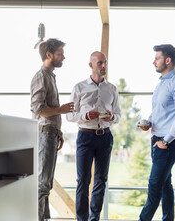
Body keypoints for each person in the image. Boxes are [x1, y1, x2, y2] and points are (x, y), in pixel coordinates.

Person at [66, 51, 121, 221]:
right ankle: (82, 219)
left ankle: (94, 218)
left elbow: (118, 115)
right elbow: (69, 115)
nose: (104, 66)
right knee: (83, 180)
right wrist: (84, 116)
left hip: (105, 137)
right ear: (91, 65)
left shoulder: (112, 89)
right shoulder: (79, 87)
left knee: (101, 180)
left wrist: (112, 117)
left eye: (105, 63)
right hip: (85, 137)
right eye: (100, 63)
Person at [30, 38, 75, 221]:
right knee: (42, 183)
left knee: (46, 183)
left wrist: (59, 132)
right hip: (45, 133)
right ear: (49, 55)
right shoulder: (41, 76)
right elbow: (38, 110)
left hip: (51, 133)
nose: (63, 56)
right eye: (60, 53)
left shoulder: (50, 76)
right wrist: (61, 110)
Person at [137, 44, 175, 221]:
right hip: (156, 140)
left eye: (157, 58)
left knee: (154, 184)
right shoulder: (161, 84)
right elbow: (159, 112)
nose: (153, 61)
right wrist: (148, 123)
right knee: (164, 185)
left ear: (168, 60)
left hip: (167, 144)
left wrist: (166, 141)